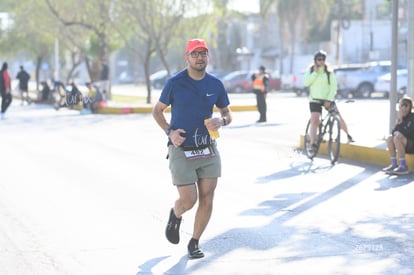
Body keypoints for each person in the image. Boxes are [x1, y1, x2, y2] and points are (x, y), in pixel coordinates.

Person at [152, 38, 232, 260]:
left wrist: (221, 121)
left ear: (208, 57)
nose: (199, 58)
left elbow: (228, 114)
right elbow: (157, 111)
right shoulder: (175, 83)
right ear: (186, 58)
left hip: (208, 149)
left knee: (208, 196)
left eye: (203, 53)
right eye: (195, 54)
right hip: (182, 149)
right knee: (189, 199)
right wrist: (170, 132)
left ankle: (195, 242)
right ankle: (176, 214)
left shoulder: (216, 84)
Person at [303, 50, 354, 152]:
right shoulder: (310, 71)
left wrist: (329, 100)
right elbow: (306, 83)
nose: (321, 61)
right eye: (319, 59)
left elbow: (333, 87)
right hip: (315, 99)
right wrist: (315, 73)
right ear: (315, 60)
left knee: (338, 116)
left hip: (327, 99)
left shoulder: (329, 72)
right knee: (315, 120)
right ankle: (313, 144)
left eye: (323, 59)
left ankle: (348, 135)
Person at [382, 97, 414, 175]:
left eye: (406, 105)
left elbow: (406, 131)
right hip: (404, 144)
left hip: (411, 144)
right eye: (401, 105)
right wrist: (400, 120)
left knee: (397, 137)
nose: (404, 108)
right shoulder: (401, 117)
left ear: (410, 107)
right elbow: (393, 132)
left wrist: (400, 123)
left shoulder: (412, 117)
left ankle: (403, 166)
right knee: (390, 138)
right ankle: (394, 164)